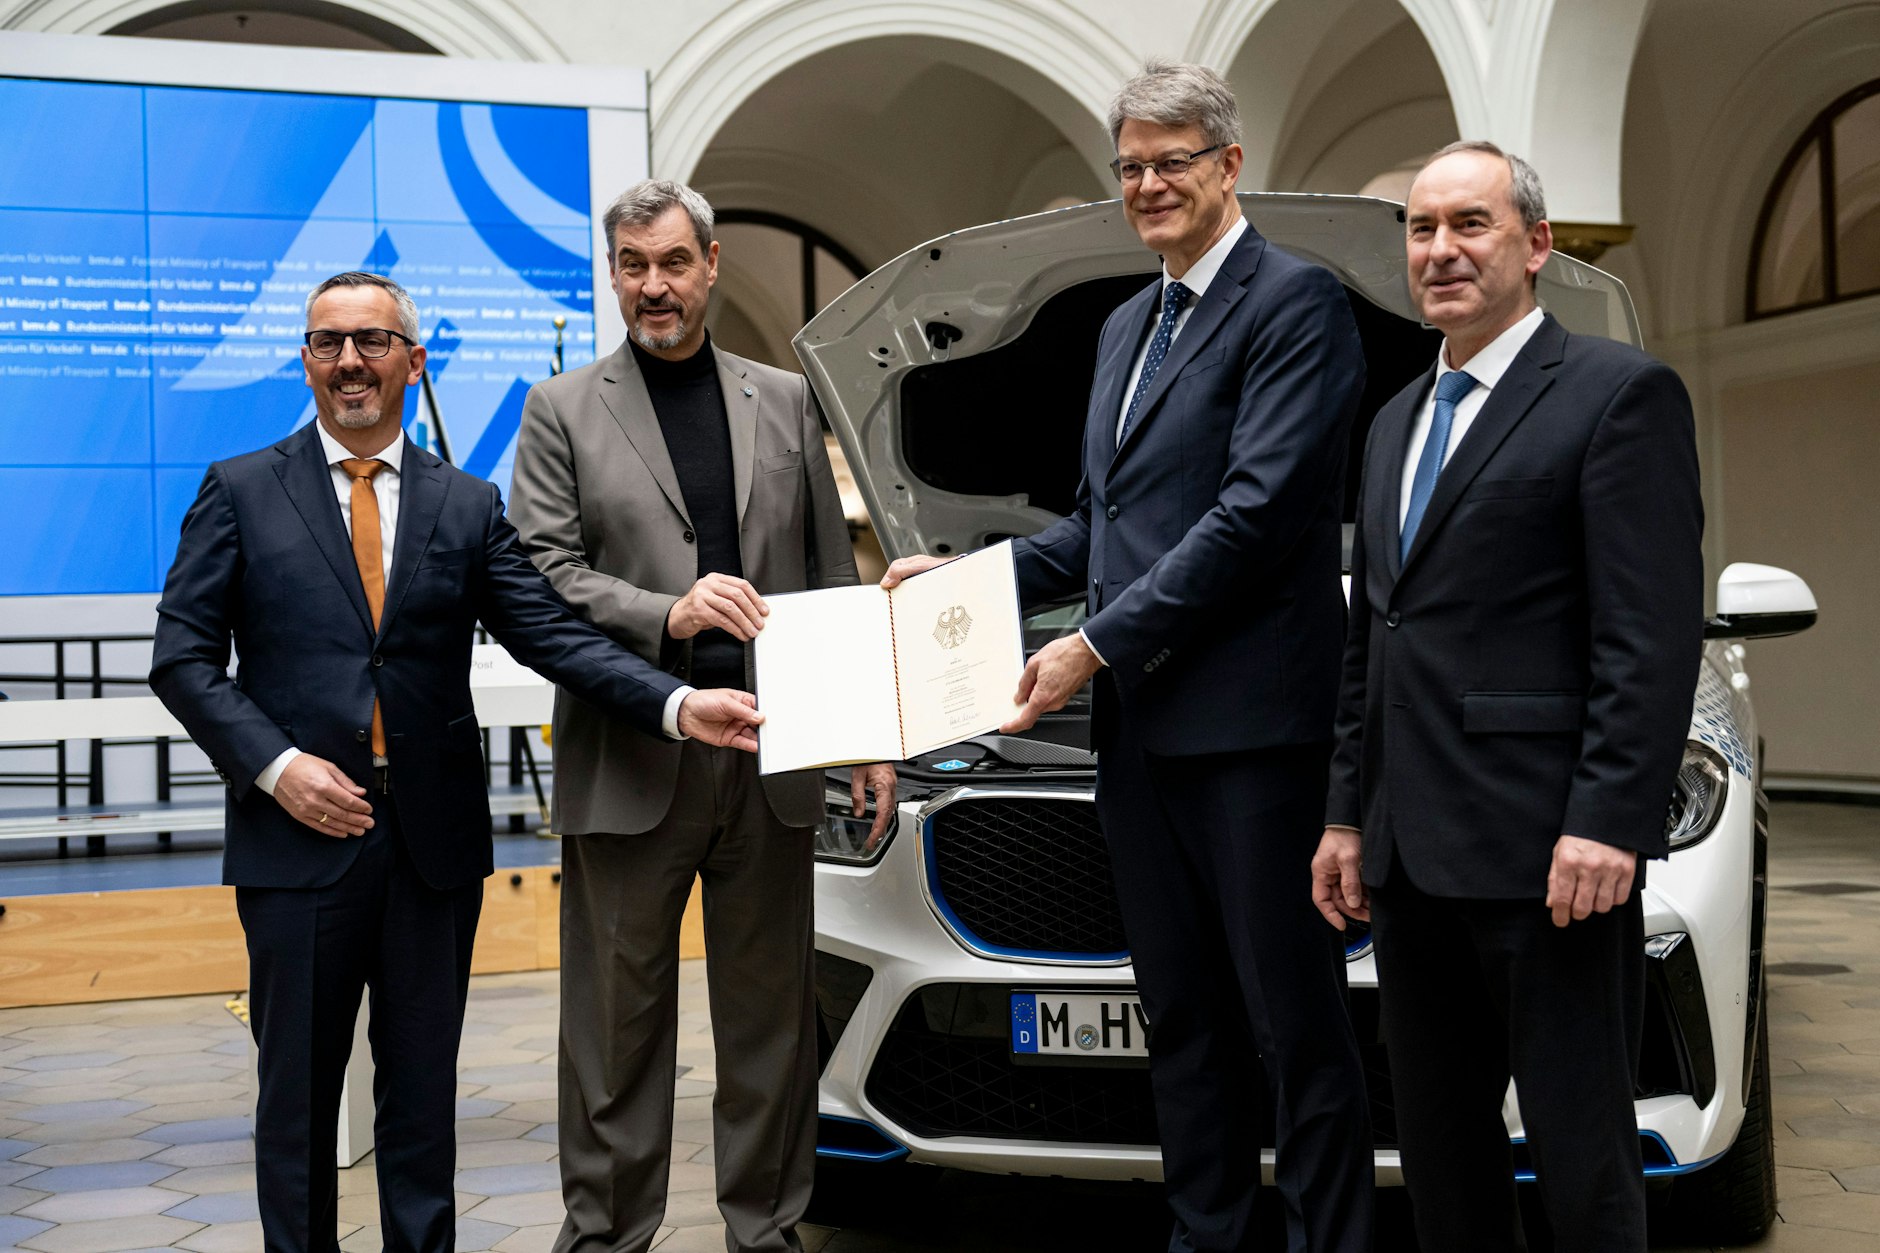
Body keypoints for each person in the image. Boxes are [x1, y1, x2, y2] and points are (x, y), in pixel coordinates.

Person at [149, 271, 764, 1253]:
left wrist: (679, 702)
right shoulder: (240, 488)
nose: (349, 360)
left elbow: (553, 636)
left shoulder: (465, 504)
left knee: (423, 1105)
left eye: (372, 340)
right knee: (297, 1104)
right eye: (326, 342)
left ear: (412, 359)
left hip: (431, 848)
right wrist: (276, 767)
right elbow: (180, 658)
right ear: (304, 361)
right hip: (295, 844)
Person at [885, 60, 1372, 1253]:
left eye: (1171, 163)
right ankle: (1205, 1234)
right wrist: (963, 582)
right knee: (1181, 1015)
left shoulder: (1295, 304)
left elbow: (1252, 518)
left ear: (1227, 166)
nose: (1149, 185)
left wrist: (1091, 647)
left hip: (1258, 738)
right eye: (1130, 168)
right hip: (1141, 743)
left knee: (1291, 1023)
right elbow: (1098, 528)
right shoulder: (1122, 324)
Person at [1312, 141, 1703, 1252]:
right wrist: (1347, 812)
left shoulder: (1617, 394)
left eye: (1468, 224)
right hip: (1407, 859)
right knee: (1440, 1155)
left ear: (1534, 245)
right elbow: (1369, 638)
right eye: (1420, 229)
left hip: (1550, 858)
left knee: (1581, 1157)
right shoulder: (1392, 420)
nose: (1439, 250)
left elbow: (1648, 634)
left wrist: (1605, 819)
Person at [507, 179, 893, 1253]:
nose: (652, 286)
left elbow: (823, 578)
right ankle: (606, 1236)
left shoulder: (783, 398)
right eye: (631, 265)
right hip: (630, 755)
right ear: (613, 272)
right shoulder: (562, 409)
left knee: (770, 1027)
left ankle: (762, 1229)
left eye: (672, 263)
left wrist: (857, 728)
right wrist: (664, 612)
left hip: (769, 758)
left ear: (711, 263)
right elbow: (540, 574)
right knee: (612, 1033)